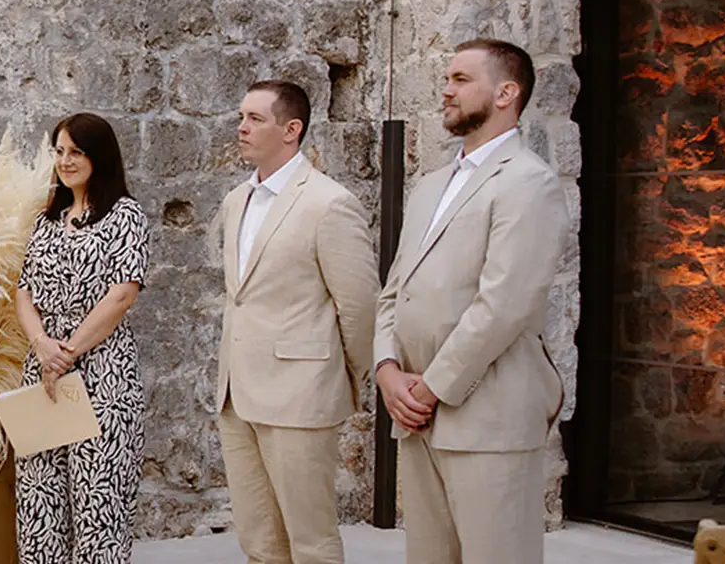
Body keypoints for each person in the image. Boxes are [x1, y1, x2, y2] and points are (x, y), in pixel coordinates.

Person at [376, 38, 565, 564]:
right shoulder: (430, 185)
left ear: (507, 92)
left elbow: (504, 305)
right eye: (446, 78)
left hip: (489, 416)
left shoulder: (530, 182)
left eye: (461, 80)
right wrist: (388, 372)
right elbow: (394, 290)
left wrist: (431, 388)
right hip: (417, 416)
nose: (446, 89)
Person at [213, 80, 378, 564]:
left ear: (292, 129)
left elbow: (360, 304)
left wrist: (340, 374)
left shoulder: (329, 203)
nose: (242, 128)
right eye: (241, 117)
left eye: (255, 119)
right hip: (236, 394)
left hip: (300, 393)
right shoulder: (235, 202)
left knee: (311, 540)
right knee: (259, 541)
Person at [11, 113, 148, 564]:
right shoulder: (46, 220)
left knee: (98, 504)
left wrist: (66, 353)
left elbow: (121, 297)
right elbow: (24, 292)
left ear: (98, 156)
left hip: (101, 375)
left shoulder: (125, 215)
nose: (65, 161)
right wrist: (42, 347)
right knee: (38, 501)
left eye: (76, 151)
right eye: (60, 151)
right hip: (44, 371)